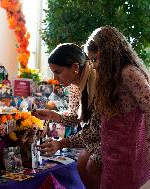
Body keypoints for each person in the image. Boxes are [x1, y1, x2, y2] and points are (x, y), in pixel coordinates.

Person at [84, 26, 150, 188]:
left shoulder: (129, 73)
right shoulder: (109, 80)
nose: (94, 66)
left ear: (109, 54)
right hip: (113, 156)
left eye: (96, 59)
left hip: (130, 157)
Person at [34, 43, 101, 189]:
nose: (55, 78)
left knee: (90, 163)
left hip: (115, 138)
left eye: (58, 72)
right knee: (83, 162)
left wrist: (61, 143)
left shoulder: (97, 83)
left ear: (75, 67)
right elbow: (74, 116)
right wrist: (53, 115)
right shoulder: (74, 85)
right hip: (97, 137)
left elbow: (96, 131)